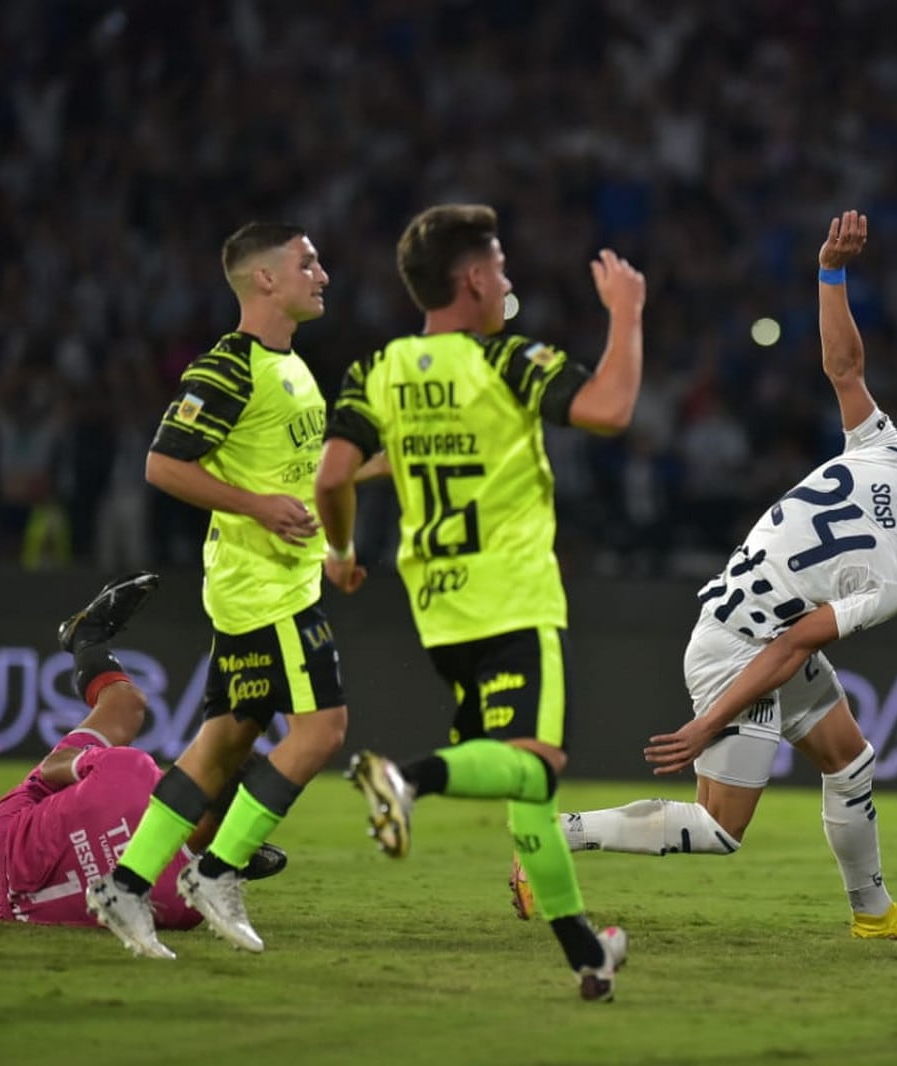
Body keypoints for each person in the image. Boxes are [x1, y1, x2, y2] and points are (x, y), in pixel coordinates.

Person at [553, 211, 897, 943]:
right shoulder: (891, 580)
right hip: (743, 646)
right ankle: (558, 836)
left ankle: (873, 912)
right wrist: (704, 722)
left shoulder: (888, 453)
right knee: (718, 830)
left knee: (849, 759)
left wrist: (831, 272)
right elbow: (795, 645)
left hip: (748, 624)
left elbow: (844, 368)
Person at [312, 203, 645, 1001]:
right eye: (498, 268)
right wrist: (627, 316)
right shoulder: (507, 361)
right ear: (471, 279)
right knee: (539, 762)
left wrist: (342, 552)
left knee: (523, 782)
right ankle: (407, 780)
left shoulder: (380, 370)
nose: (507, 281)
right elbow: (609, 409)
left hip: (437, 607)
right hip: (515, 598)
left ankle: (585, 953)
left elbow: (334, 476)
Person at [85, 222, 350, 960]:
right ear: (264, 279)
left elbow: (294, 478)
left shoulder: (294, 367)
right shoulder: (229, 367)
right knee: (321, 730)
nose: (322, 274)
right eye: (308, 263)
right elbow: (163, 466)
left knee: (223, 743)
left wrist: (329, 540)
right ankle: (217, 869)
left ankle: (124, 885)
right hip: (264, 592)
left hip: (281, 578)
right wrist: (257, 507)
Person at [0, 572, 286, 927]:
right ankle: (223, 857)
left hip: (3, 839)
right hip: (23, 914)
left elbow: (54, 767)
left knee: (127, 705)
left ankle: (87, 638)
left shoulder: (133, 772)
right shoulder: (187, 907)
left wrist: (85, 805)